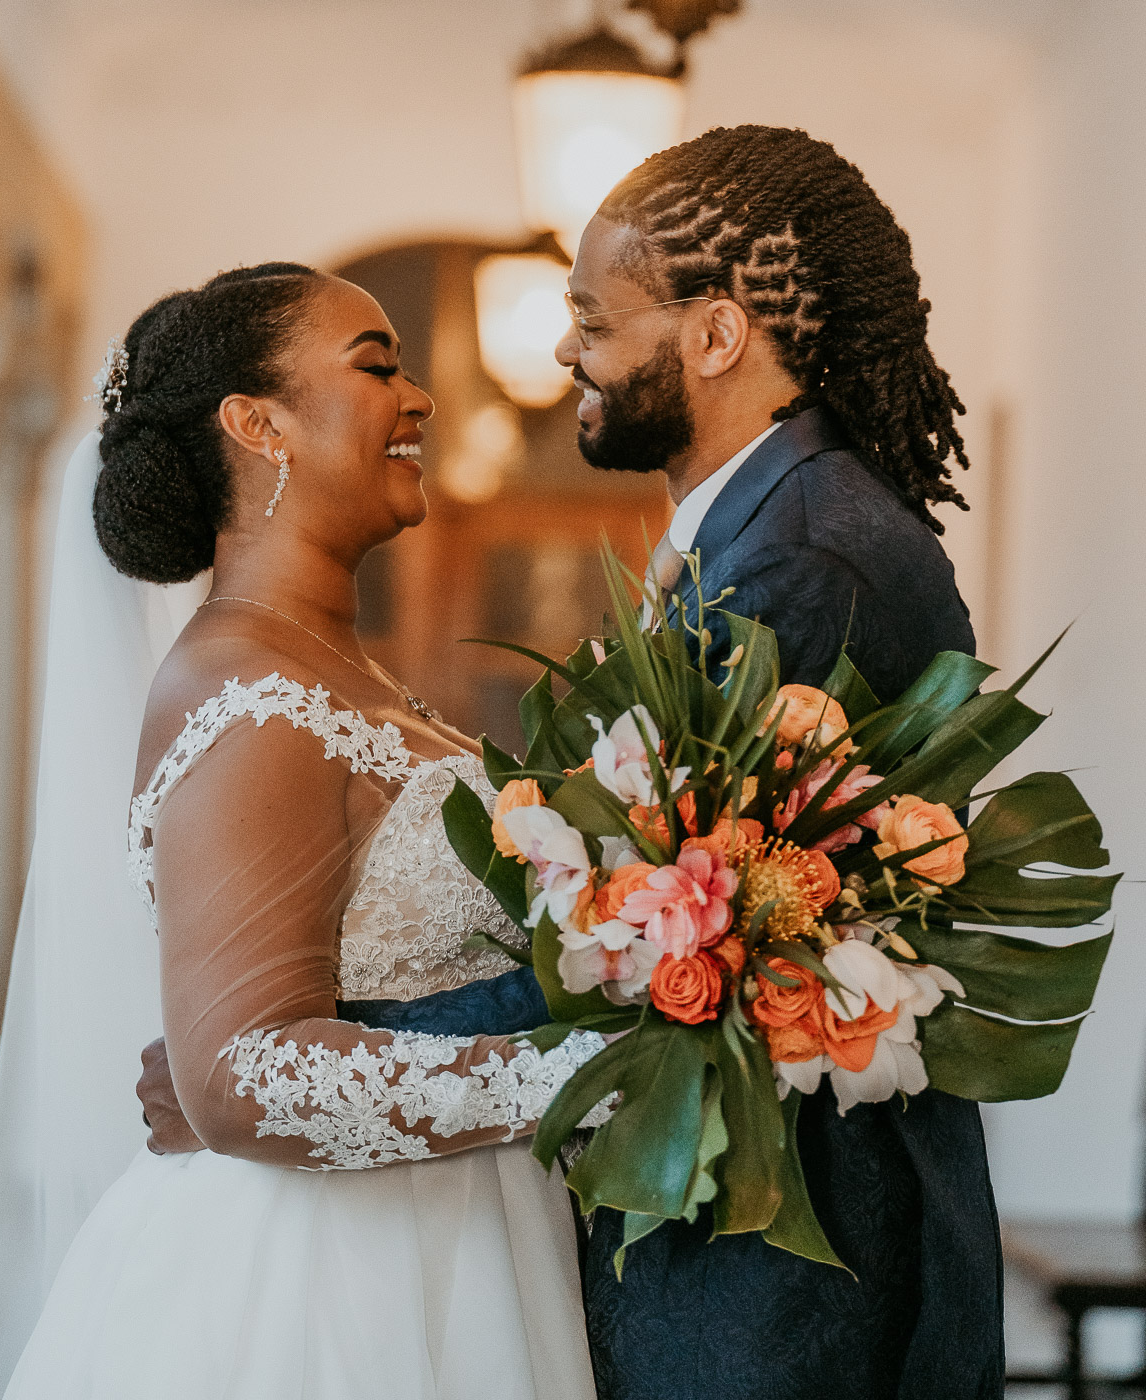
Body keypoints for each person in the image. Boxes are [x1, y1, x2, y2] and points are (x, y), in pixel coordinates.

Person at [139, 126, 1004, 1397]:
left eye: (594, 321)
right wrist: (261, 1068)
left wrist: (299, 1060)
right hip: (603, 1255)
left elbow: (708, 946)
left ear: (714, 336)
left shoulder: (804, 561)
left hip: (786, 1278)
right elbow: (659, 924)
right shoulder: (752, 540)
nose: (562, 355)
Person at [0, 263, 605, 1400]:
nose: (417, 399)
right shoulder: (252, 695)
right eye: (377, 367)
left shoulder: (352, 680)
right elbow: (238, 1077)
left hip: (454, 1238)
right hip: (330, 1288)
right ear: (255, 424)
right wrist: (592, 1074)